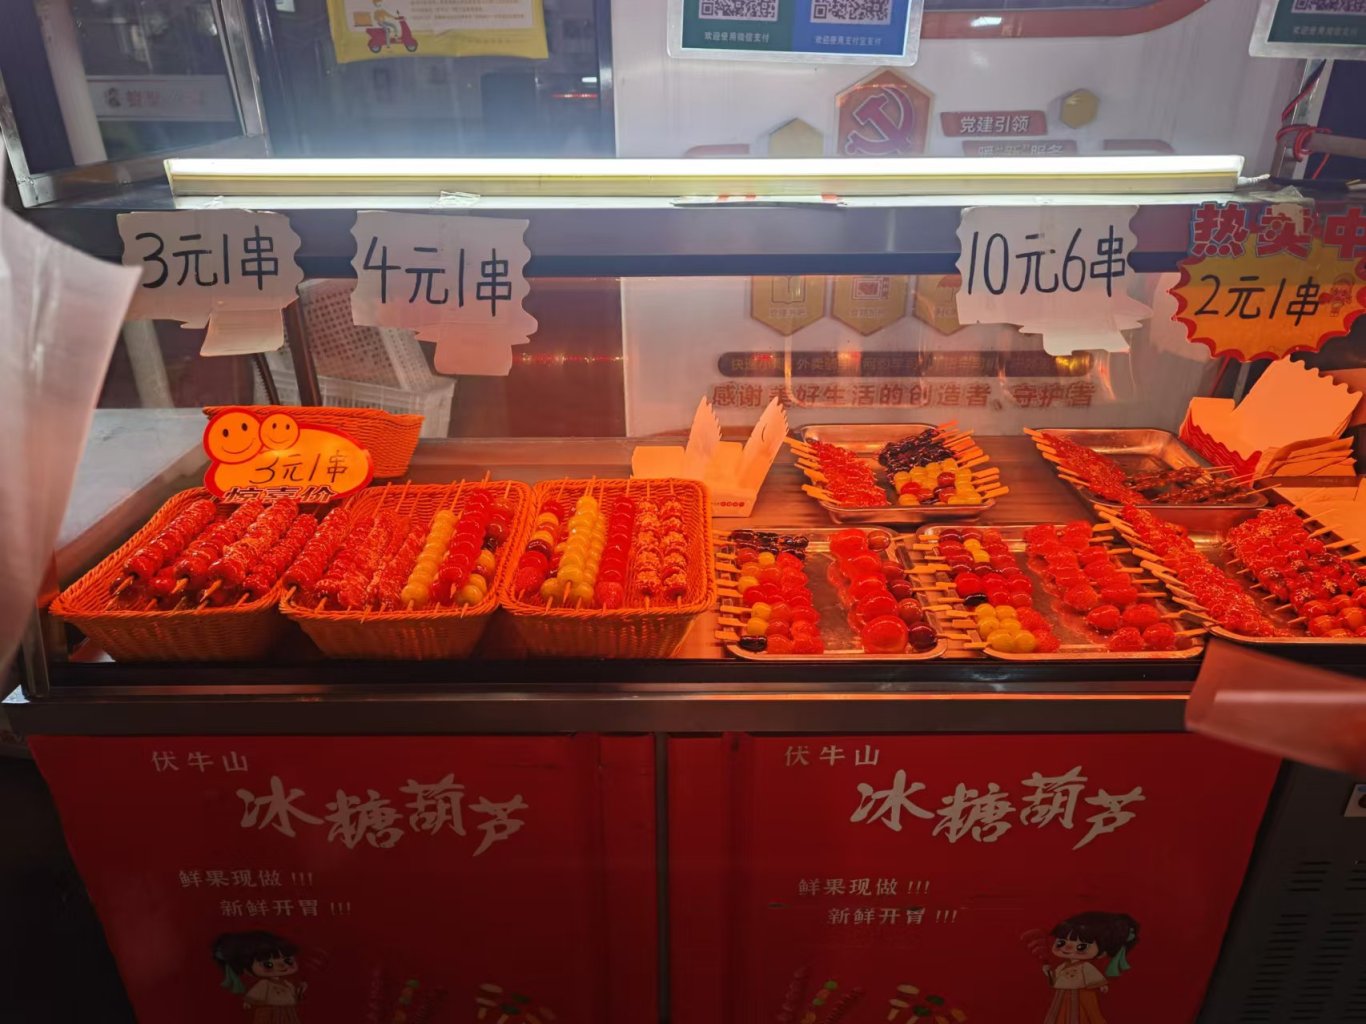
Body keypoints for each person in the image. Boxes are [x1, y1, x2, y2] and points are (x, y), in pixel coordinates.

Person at [1040, 911, 1139, 1024]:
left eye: (1081, 946)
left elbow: (1094, 977)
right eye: (1061, 942)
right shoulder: (1062, 966)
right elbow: (1055, 981)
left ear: (1102, 952)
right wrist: (1048, 972)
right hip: (1062, 996)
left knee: (1083, 1016)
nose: (1067, 947)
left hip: (1081, 996)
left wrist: (1102, 985)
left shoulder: (1086, 967)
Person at [212, 931, 308, 1024]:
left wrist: (300, 989)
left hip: (289, 1012)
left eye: (288, 960)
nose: (282, 966)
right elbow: (253, 996)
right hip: (270, 1013)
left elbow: (294, 997)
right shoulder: (264, 984)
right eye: (268, 964)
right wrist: (248, 1002)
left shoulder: (287, 983)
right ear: (246, 968)